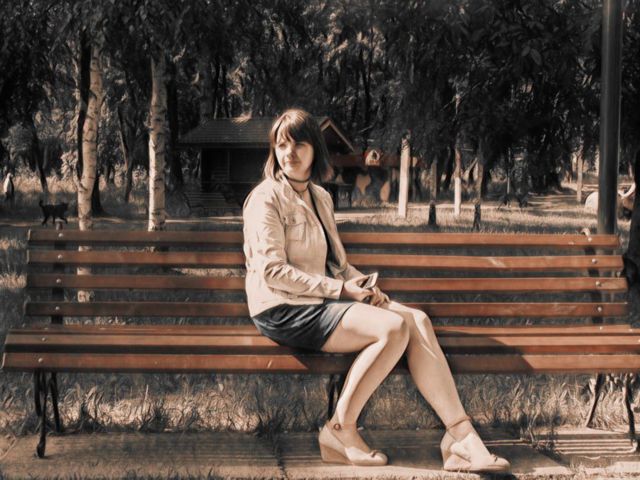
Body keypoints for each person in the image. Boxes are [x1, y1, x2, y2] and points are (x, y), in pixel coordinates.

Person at [242, 109, 510, 473]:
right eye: (282, 144)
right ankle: (340, 429)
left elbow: (337, 264)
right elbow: (272, 272)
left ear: (314, 149)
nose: (289, 152)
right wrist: (341, 290)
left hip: (318, 300)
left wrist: (367, 289)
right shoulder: (266, 198)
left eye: (299, 144)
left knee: (416, 320)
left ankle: (460, 438)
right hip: (282, 307)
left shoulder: (320, 197)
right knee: (392, 329)